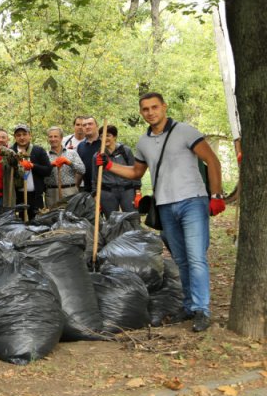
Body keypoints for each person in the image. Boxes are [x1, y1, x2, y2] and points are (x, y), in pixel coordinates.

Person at [99, 93, 225, 332]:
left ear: (164, 107)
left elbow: (212, 160)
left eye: (154, 107)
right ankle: (189, 306)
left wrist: (216, 195)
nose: (150, 112)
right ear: (141, 113)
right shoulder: (143, 142)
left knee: (196, 257)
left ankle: (202, 310)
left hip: (193, 202)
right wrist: (109, 165)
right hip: (165, 205)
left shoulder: (185, 131)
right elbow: (137, 172)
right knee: (181, 259)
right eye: (145, 109)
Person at [92, 125, 140, 216]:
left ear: (115, 137)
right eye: (102, 136)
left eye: (108, 135)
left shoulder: (125, 151)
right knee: (112, 221)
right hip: (107, 192)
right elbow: (95, 178)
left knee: (132, 218)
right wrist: (96, 196)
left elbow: (135, 171)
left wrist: (138, 191)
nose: (105, 138)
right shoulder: (98, 156)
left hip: (127, 190)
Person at [10, 124, 51, 221]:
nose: (22, 137)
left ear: (29, 135)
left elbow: (48, 170)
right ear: (15, 137)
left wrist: (33, 166)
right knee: (20, 222)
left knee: (37, 222)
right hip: (17, 196)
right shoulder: (11, 152)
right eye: (18, 135)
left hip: (36, 196)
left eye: (24, 134)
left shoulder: (38, 151)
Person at [45, 126, 85, 208]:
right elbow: (42, 172)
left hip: (70, 191)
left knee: (70, 217)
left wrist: (69, 162)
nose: (53, 139)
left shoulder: (72, 153)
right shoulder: (45, 155)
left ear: (61, 138)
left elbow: (82, 170)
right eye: (50, 137)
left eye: (55, 136)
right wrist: (51, 165)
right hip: (52, 192)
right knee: (53, 218)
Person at [76, 116, 102, 192]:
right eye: (84, 125)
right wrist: (76, 187)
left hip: (105, 188)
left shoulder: (104, 143)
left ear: (97, 126)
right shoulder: (81, 146)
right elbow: (80, 169)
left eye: (90, 124)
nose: (87, 127)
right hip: (87, 189)